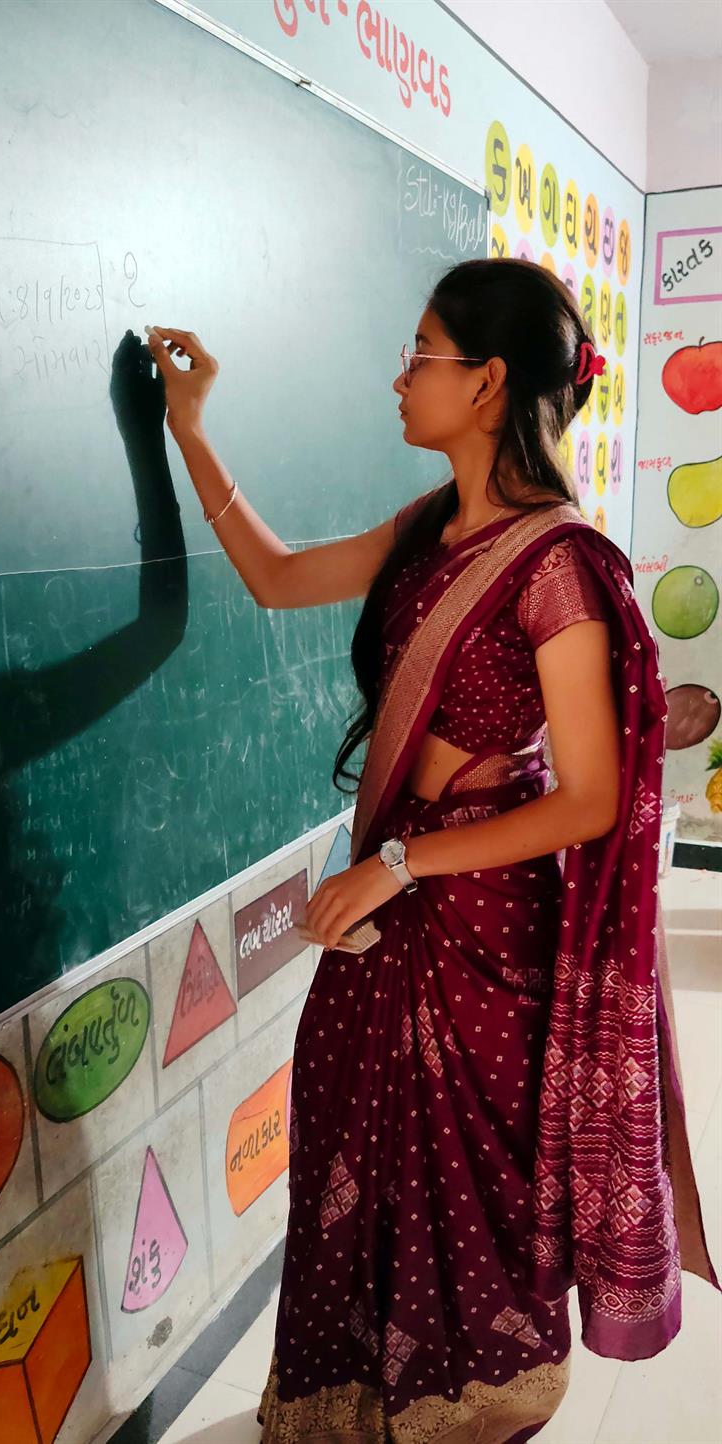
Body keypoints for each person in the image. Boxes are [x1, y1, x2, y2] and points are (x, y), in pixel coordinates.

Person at [143, 256, 719, 1444]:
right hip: (390, 912)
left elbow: (588, 800)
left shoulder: (558, 567)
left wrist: (398, 865)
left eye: (419, 353)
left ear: (487, 382)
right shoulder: (424, 531)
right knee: (355, 1157)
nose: (399, 377)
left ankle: (471, 1413)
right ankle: (361, 1405)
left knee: (469, 1192)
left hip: (477, 925)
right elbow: (277, 577)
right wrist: (188, 430)